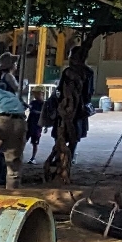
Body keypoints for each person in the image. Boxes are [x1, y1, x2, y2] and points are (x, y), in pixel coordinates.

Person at [46, 45, 94, 182]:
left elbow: (60, 91)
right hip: (76, 111)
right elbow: (89, 93)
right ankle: (65, 162)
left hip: (71, 110)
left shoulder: (70, 72)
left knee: (66, 136)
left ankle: (63, 163)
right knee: (71, 139)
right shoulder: (87, 72)